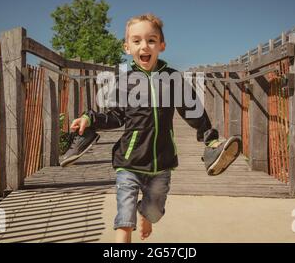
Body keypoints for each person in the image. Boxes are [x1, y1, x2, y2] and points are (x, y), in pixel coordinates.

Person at [62, 13, 241, 243]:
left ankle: (146, 213)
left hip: (161, 162)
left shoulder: (173, 79)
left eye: (151, 40)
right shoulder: (124, 82)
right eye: (136, 41)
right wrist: (90, 118)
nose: (144, 46)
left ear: (162, 45)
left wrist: (210, 138)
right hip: (128, 162)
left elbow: (193, 110)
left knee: (154, 212)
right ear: (127, 47)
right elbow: (115, 116)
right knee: (124, 221)